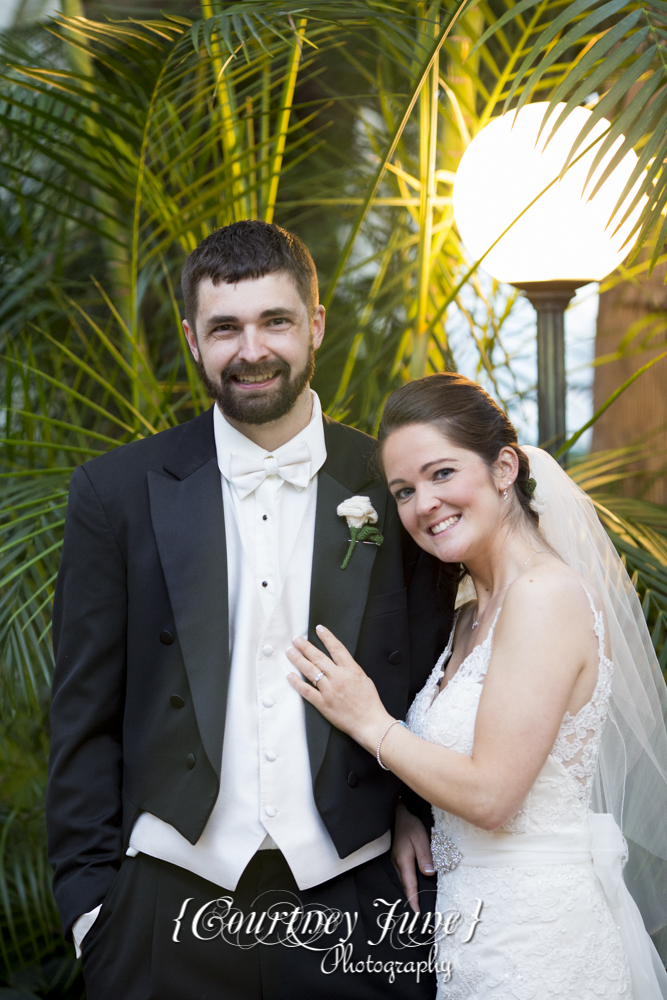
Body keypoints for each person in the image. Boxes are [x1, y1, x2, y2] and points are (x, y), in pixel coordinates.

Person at [45, 221, 453, 1000]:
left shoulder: (394, 484)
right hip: (166, 900)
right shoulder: (118, 492)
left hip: (356, 896)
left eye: (275, 321)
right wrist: (92, 911)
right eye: (224, 327)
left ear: (316, 326)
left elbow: (437, 675)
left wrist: (411, 813)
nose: (251, 349)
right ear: (194, 340)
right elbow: (82, 714)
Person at [289, 372, 667, 999]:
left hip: (541, 944)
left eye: (442, 474)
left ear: (504, 468)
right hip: (474, 935)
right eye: (404, 490)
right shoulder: (469, 611)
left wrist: (369, 720)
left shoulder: (544, 597)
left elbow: (493, 796)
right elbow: (457, 767)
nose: (423, 504)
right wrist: (413, 817)